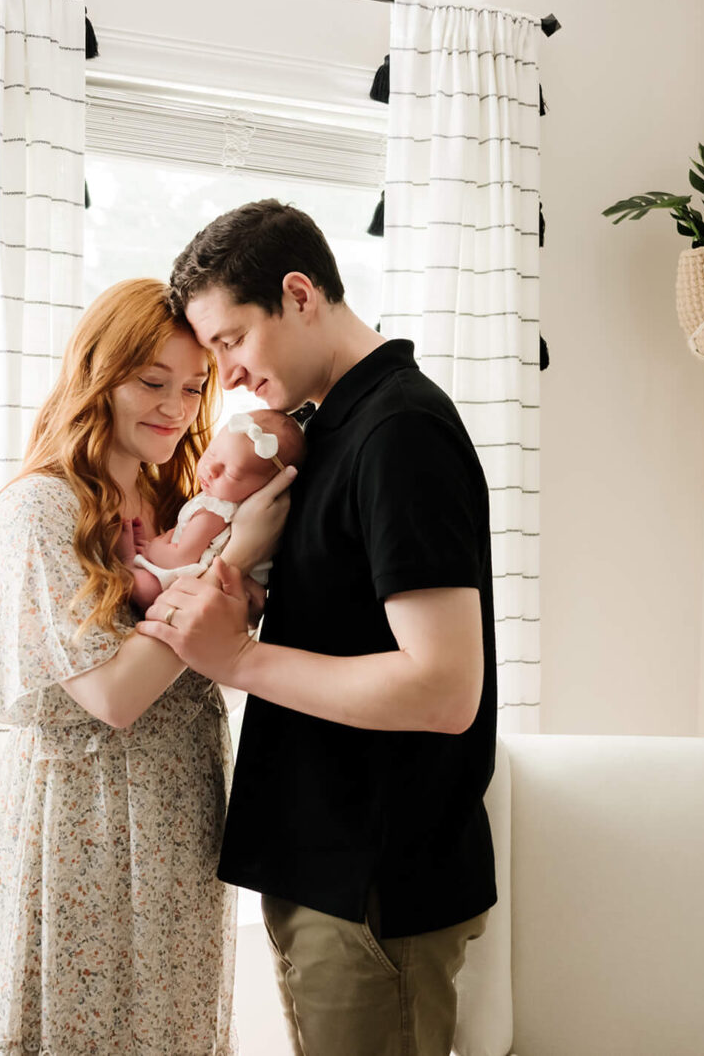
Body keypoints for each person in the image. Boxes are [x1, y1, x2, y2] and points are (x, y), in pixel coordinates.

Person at [140, 200, 498, 1056]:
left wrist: (238, 658)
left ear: (299, 293)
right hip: (328, 871)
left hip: (373, 883)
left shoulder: (399, 432)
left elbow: (445, 688)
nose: (223, 374)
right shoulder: (323, 431)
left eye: (230, 341)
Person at [0, 278, 294, 1056]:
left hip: (179, 816)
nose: (176, 406)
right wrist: (233, 557)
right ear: (99, 374)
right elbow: (111, 694)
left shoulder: (183, 496)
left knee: (166, 1029)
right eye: (152, 382)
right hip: (84, 824)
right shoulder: (42, 509)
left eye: (195, 386)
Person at [121, 409, 306, 607]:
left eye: (231, 474)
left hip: (193, 586)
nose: (211, 470)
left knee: (147, 590)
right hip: (220, 589)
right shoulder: (223, 499)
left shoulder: (215, 512)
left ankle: (128, 561)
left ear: (266, 487)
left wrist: (152, 547)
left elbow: (180, 557)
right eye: (211, 453)